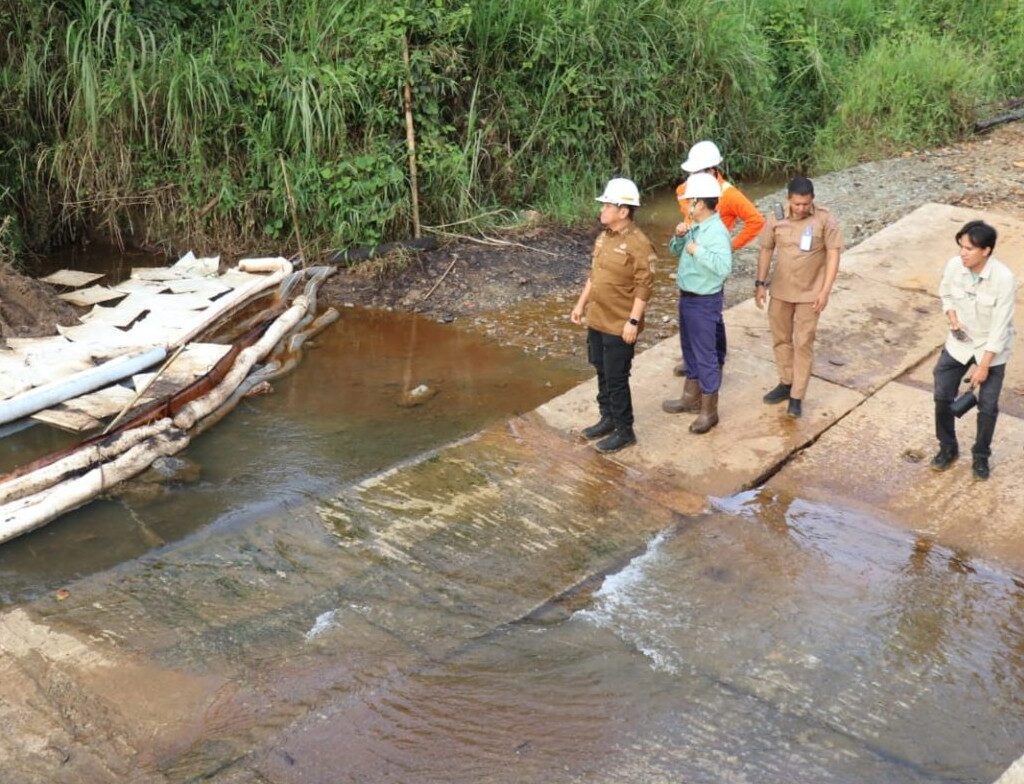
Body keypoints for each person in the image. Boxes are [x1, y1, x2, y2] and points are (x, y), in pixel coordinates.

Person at [570, 177, 656, 453]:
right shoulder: (603, 238)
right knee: (601, 368)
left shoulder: (639, 243)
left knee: (617, 377)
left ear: (623, 211)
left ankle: (624, 429)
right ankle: (607, 418)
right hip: (597, 318)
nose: (602, 210)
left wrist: (633, 321)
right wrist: (580, 305)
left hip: (620, 323)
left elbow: (645, 285)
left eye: (607, 205)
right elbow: (594, 277)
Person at [931, 220, 1016, 480]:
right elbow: (946, 293)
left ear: (986, 251)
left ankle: (980, 455)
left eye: (969, 248)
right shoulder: (955, 266)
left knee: (988, 407)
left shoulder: (1004, 279)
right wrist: (952, 316)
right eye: (961, 247)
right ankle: (947, 447)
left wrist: (984, 366)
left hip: (991, 350)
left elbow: (1000, 327)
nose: (962, 253)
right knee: (942, 395)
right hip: (959, 343)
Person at [673, 140, 765, 375]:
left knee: (710, 310)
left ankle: (716, 358)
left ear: (713, 170)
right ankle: (693, 359)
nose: (690, 177)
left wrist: (730, 246)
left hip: (713, 260)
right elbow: (688, 217)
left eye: (697, 172)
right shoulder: (685, 191)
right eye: (691, 172)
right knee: (693, 314)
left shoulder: (729, 196)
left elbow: (756, 221)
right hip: (694, 256)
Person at [754, 176, 842, 418]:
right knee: (781, 339)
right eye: (796, 204)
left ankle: (797, 396)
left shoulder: (825, 220)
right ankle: (785, 382)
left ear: (812, 200)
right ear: (788, 200)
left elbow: (833, 255)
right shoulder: (776, 217)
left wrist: (825, 291)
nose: (801, 208)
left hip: (810, 294)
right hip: (781, 291)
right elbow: (766, 249)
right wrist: (760, 283)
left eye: (805, 204)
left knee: (803, 343)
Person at [661, 173, 732, 433]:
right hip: (688, 296)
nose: (687, 204)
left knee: (706, 356)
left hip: (704, 301)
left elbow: (724, 267)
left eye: (690, 200)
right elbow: (673, 250)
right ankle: (690, 398)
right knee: (689, 348)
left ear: (700, 203)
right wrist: (680, 237)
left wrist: (697, 251)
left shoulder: (716, 231)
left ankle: (709, 411)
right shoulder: (694, 225)